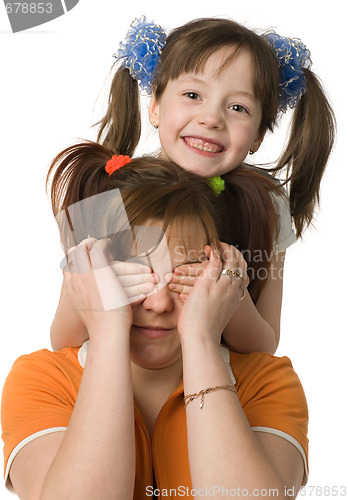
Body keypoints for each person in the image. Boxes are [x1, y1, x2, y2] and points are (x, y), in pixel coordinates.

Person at [1, 142, 308, 499]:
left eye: (183, 278)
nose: (159, 303)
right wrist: (106, 331)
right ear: (92, 280)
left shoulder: (266, 383)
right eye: (134, 279)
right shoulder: (41, 380)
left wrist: (201, 340)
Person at [50, 16, 336, 355]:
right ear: (155, 105)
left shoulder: (267, 206)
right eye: (192, 94)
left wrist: (232, 298)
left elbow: (264, 346)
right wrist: (91, 292)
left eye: (238, 107)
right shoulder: (113, 190)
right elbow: (61, 341)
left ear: (259, 134)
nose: (212, 118)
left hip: (214, 387)